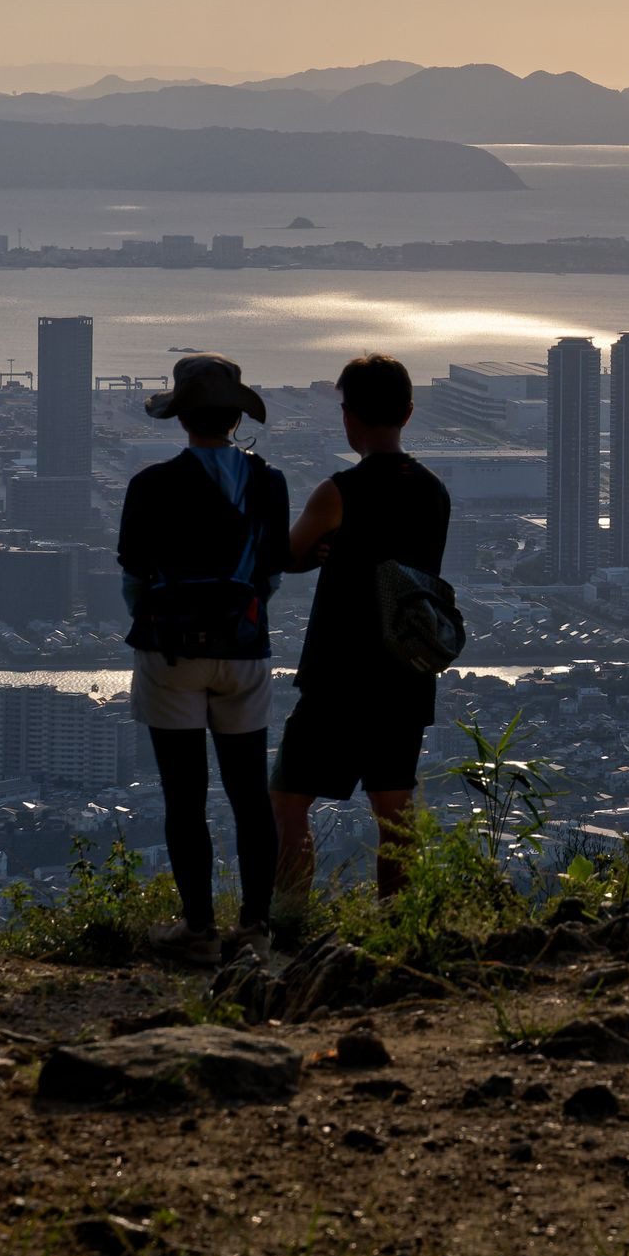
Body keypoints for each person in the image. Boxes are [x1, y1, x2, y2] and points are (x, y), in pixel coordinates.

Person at [113, 353, 290, 966]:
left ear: (181, 418)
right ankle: (256, 927)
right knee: (249, 795)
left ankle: (199, 930)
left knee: (184, 797)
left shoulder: (152, 484)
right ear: (237, 419)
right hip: (244, 650)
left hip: (170, 654)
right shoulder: (269, 482)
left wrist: (162, 618)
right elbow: (271, 573)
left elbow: (133, 573)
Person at [270, 352, 452, 919]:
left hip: (340, 670)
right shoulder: (434, 492)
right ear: (409, 413)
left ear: (349, 416)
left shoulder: (339, 491)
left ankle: (290, 919)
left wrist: (323, 550)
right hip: (405, 671)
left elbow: (289, 554)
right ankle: (395, 923)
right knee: (394, 811)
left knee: (289, 801)